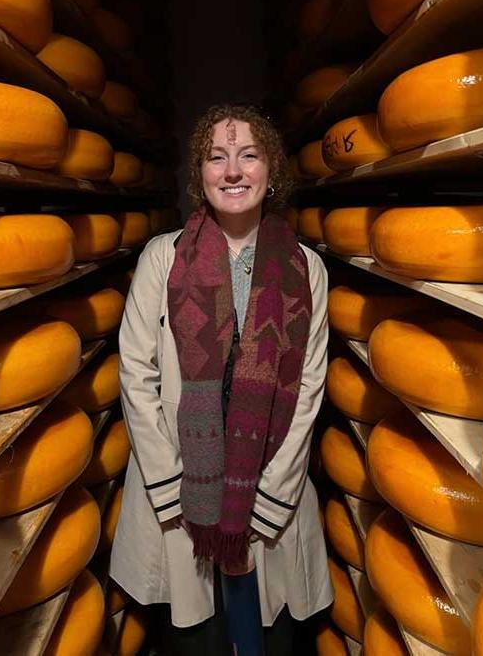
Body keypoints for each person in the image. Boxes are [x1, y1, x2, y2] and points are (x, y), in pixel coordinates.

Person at [110, 104, 333, 655]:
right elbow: (136, 373)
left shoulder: (306, 268)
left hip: (268, 487)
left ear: (271, 169)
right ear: (201, 173)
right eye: (217, 157)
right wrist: (174, 488)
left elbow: (308, 388)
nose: (233, 171)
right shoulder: (163, 259)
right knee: (198, 639)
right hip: (184, 494)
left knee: (269, 637)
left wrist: (270, 495)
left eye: (249, 155)